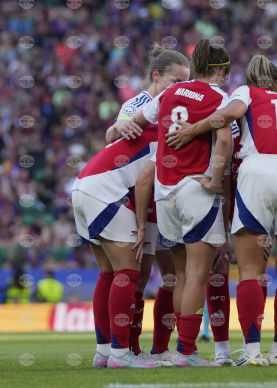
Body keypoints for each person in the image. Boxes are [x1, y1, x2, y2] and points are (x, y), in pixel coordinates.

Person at [165, 54, 277, 367]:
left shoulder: (246, 92)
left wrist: (192, 129)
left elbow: (228, 115)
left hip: (259, 169)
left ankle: (252, 351)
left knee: (249, 271)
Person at [132, 38, 234, 367]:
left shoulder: (169, 92)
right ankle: (187, 351)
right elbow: (223, 139)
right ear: (220, 70)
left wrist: (117, 128)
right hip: (195, 189)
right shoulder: (218, 97)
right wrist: (215, 179)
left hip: (164, 191)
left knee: (178, 273)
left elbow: (139, 121)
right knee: (197, 276)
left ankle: (182, 349)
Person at [106, 45, 190, 365]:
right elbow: (116, 141)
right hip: (139, 200)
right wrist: (116, 129)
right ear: (156, 76)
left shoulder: (180, 107)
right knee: (139, 278)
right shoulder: (135, 105)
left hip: (168, 198)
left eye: (185, 82)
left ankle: (161, 348)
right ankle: (130, 349)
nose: (179, 87)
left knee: (172, 276)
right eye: (174, 81)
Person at [73, 102, 164, 368]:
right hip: (105, 190)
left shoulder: (146, 125)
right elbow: (144, 180)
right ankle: (121, 355)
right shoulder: (168, 135)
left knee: (108, 273)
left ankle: (104, 353)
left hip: (83, 185)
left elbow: (113, 137)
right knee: (128, 272)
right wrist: (142, 226)